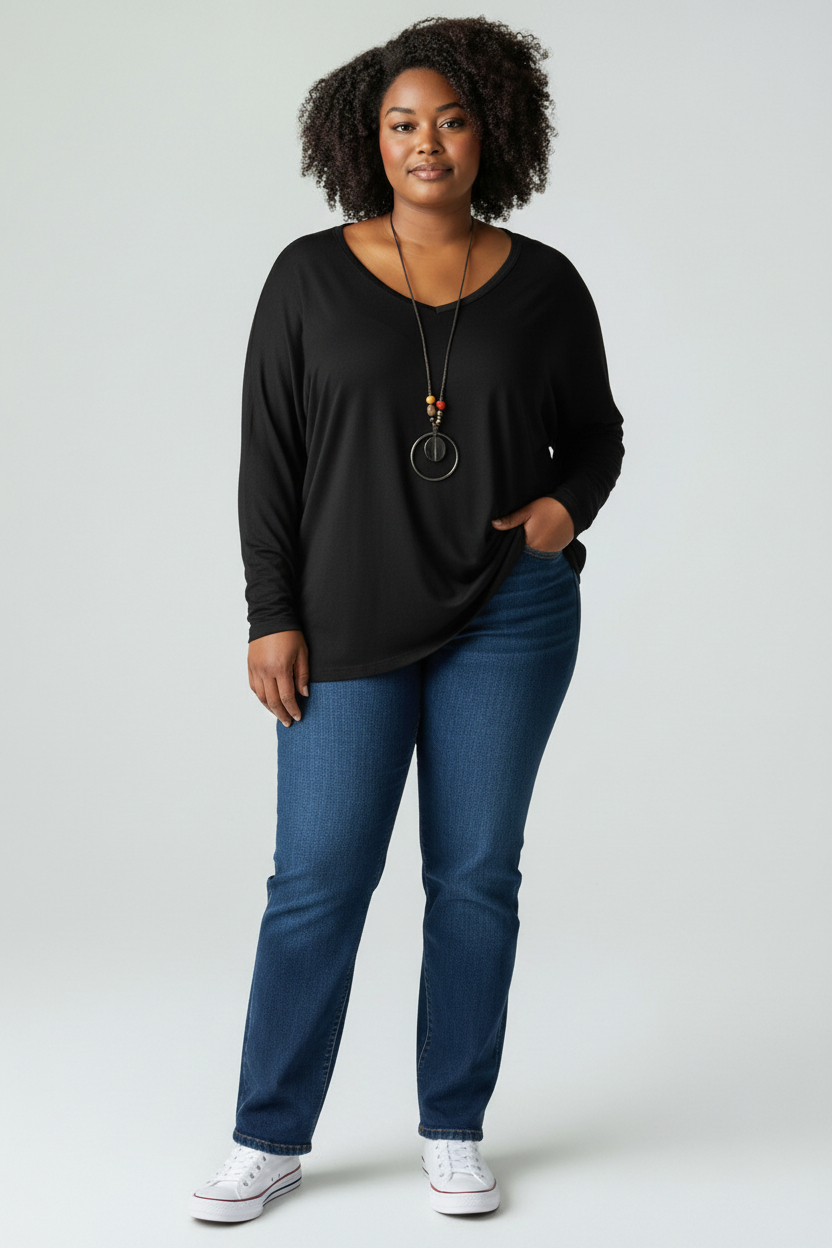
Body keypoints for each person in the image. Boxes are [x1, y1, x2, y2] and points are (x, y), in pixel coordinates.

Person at [189, 14, 624, 1222]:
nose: (426, 143)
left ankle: (453, 1127)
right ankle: (267, 1134)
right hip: (341, 619)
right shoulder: (306, 277)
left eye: (451, 120)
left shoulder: (543, 285)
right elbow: (268, 461)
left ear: (491, 134)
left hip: (509, 614)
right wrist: (270, 613)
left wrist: (562, 508)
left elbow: (596, 433)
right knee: (318, 878)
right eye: (401, 124)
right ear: (366, 140)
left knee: (475, 875)